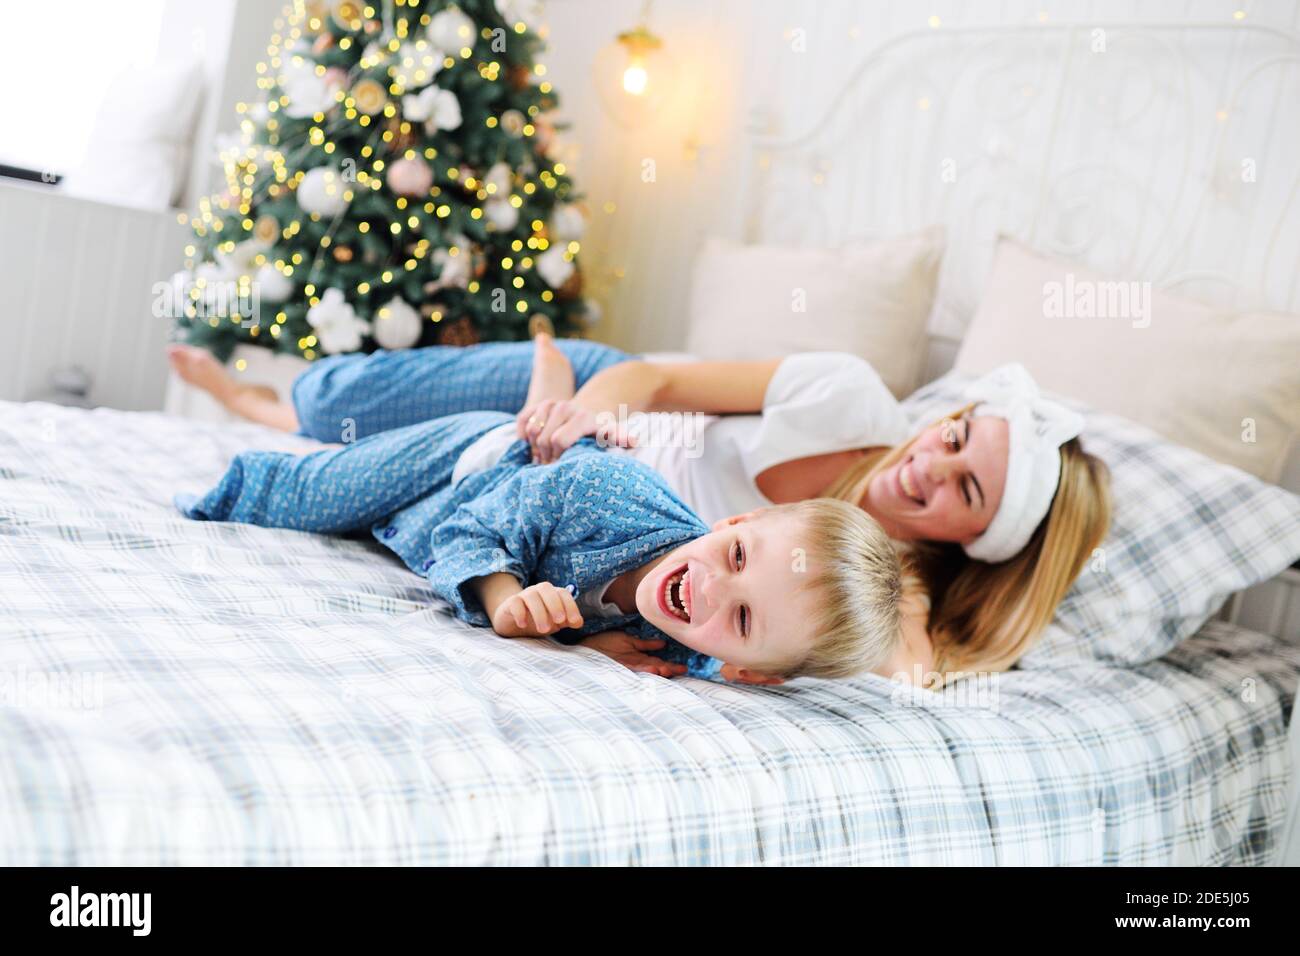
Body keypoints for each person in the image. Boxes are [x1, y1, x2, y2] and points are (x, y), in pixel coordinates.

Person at [168, 336, 1110, 678]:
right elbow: (655, 377)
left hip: (579, 523)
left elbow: (885, 667)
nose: (930, 468)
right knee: (335, 403)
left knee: (376, 461)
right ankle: (260, 402)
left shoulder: (865, 592)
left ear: (983, 541)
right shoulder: (847, 396)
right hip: (602, 412)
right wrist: (577, 417)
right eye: (955, 436)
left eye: (968, 489)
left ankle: (281, 415)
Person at [172, 394, 912, 686]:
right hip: (475, 467)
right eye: (739, 558)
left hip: (452, 527)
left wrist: (583, 647)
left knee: (365, 525)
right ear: (735, 523)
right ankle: (220, 472)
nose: (712, 588)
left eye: (744, 618)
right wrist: (507, 602)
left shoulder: (684, 659)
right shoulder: (609, 490)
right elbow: (470, 527)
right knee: (317, 494)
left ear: (750, 671)